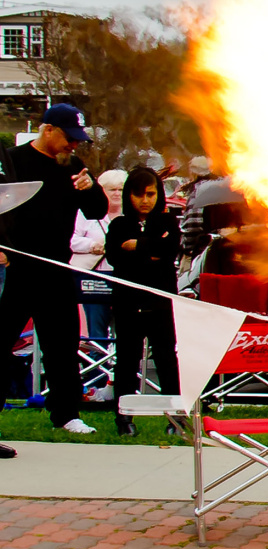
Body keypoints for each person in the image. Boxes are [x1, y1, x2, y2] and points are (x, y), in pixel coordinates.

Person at [0, 103, 110, 439]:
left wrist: (91, 188)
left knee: (63, 345)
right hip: (18, 266)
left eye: (78, 140)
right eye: (68, 138)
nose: (73, 145)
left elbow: (97, 211)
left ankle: (66, 413)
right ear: (48, 130)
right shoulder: (13, 160)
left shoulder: (72, 165)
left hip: (58, 268)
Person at [106, 167, 180, 436]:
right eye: (139, 195)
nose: (145, 201)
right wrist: (151, 250)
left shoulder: (168, 222)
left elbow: (169, 250)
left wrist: (137, 246)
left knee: (166, 358)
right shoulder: (118, 225)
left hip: (160, 301)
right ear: (129, 196)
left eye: (150, 194)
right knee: (127, 360)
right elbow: (115, 257)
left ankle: (176, 417)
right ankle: (124, 418)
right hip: (127, 302)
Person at [71, 167, 126, 342]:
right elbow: (71, 239)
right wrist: (92, 245)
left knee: (125, 330)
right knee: (96, 329)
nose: (117, 194)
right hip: (94, 279)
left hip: (122, 278)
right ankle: (97, 358)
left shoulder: (129, 216)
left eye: (121, 189)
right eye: (112, 189)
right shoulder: (85, 213)